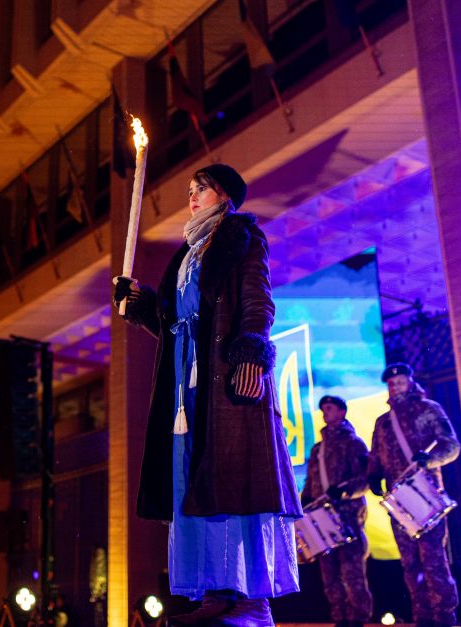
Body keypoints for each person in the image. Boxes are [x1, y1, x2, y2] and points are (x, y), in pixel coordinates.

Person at [113, 164, 302, 626]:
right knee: (192, 479)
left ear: (224, 196)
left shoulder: (240, 237)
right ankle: (217, 589)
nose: (192, 196)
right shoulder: (186, 255)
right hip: (185, 386)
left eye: (201, 189)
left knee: (233, 480)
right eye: (190, 189)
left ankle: (250, 595)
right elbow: (175, 323)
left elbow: (258, 298)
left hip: (226, 379)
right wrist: (137, 305)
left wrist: (252, 354)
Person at [366, 363, 460, 627]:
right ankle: (422, 617)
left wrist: (429, 459)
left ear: (410, 381)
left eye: (400, 381)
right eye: (391, 383)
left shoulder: (428, 409)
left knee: (433, 560)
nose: (395, 386)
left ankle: (444, 616)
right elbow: (375, 455)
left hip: (425, 493)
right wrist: (373, 476)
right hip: (398, 501)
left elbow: (451, 446)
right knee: (410, 563)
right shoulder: (382, 422)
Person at [300, 395, 372, 627]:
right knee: (330, 575)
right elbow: (311, 484)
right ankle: (339, 617)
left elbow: (365, 480)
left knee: (352, 573)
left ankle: (358, 619)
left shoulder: (354, 443)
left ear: (342, 412)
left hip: (348, 518)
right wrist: (304, 508)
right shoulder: (318, 449)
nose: (325, 413)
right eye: (323, 409)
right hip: (322, 521)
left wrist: (342, 493)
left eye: (329, 408)